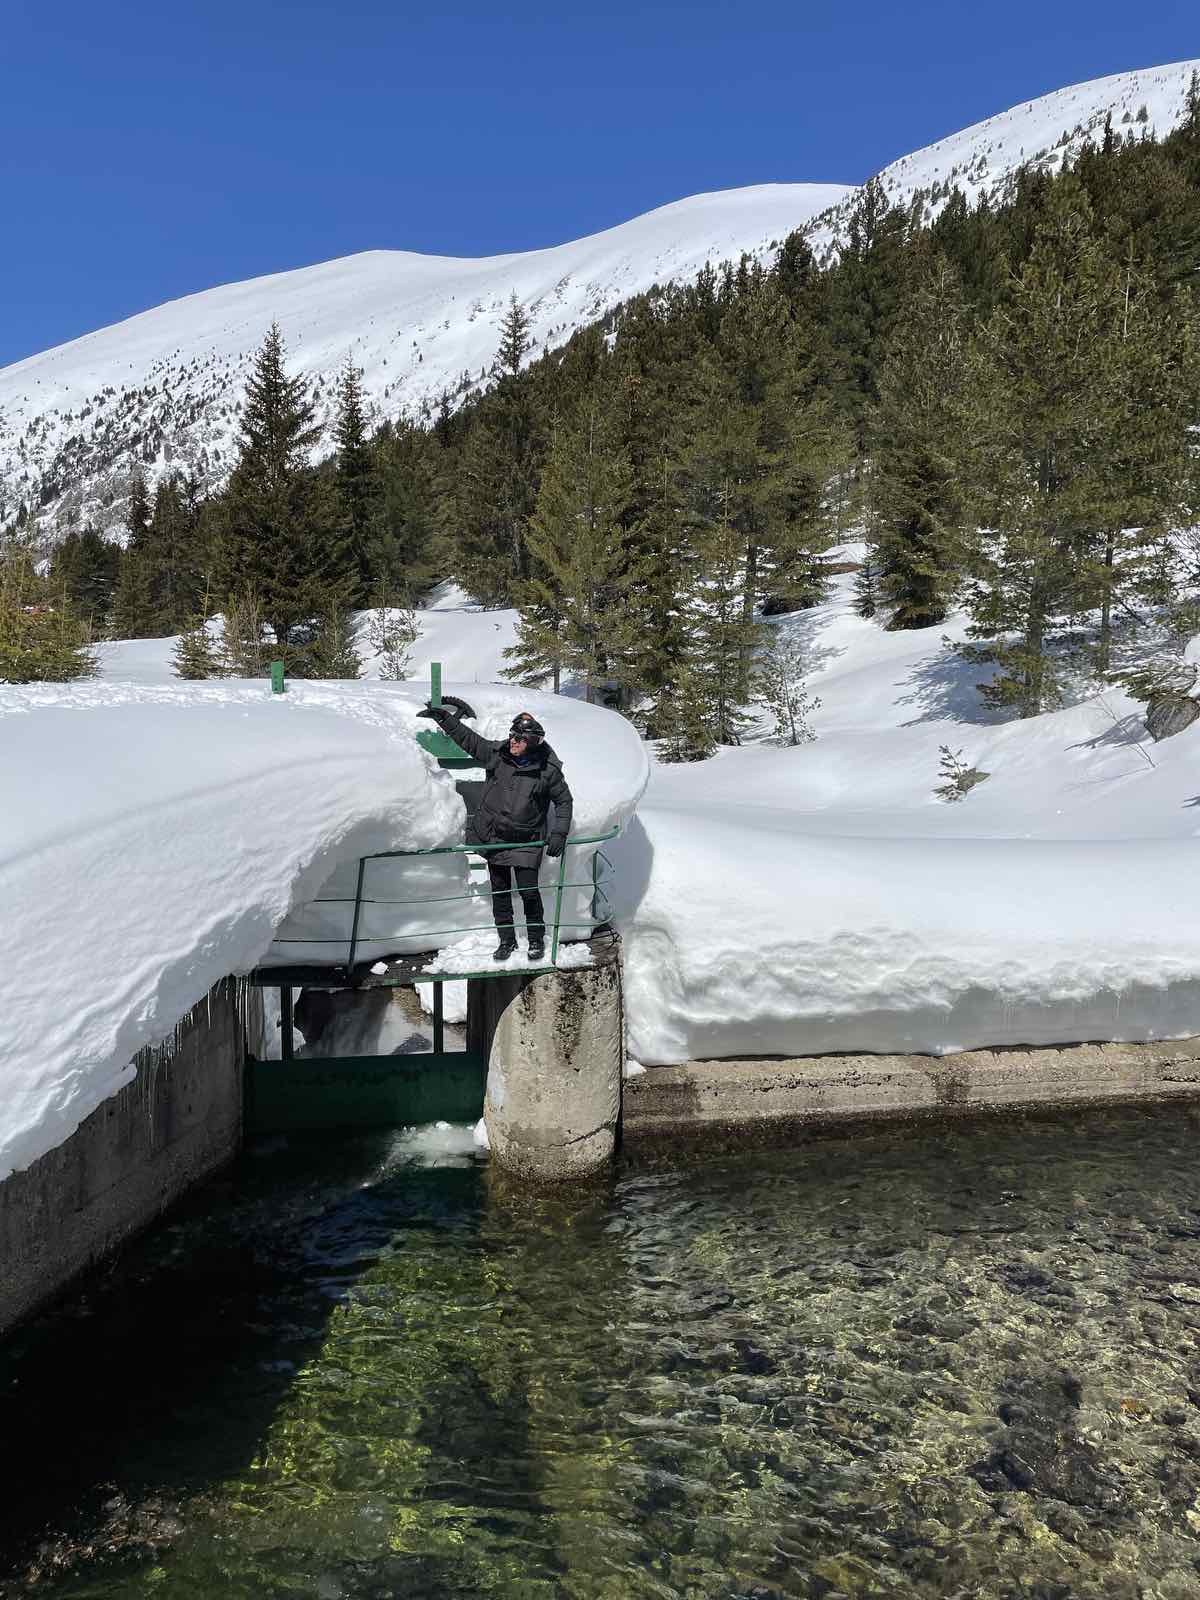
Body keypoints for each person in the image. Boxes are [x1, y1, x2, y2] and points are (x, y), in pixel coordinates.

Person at [417, 704, 573, 962]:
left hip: (527, 840)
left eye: (520, 738)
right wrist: (444, 719)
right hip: (495, 838)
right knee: (500, 893)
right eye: (512, 734)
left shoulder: (548, 771)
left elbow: (564, 802)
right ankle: (506, 941)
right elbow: (470, 741)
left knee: (528, 892)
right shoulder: (497, 755)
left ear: (533, 741)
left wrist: (560, 833)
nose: (513, 740)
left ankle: (535, 940)